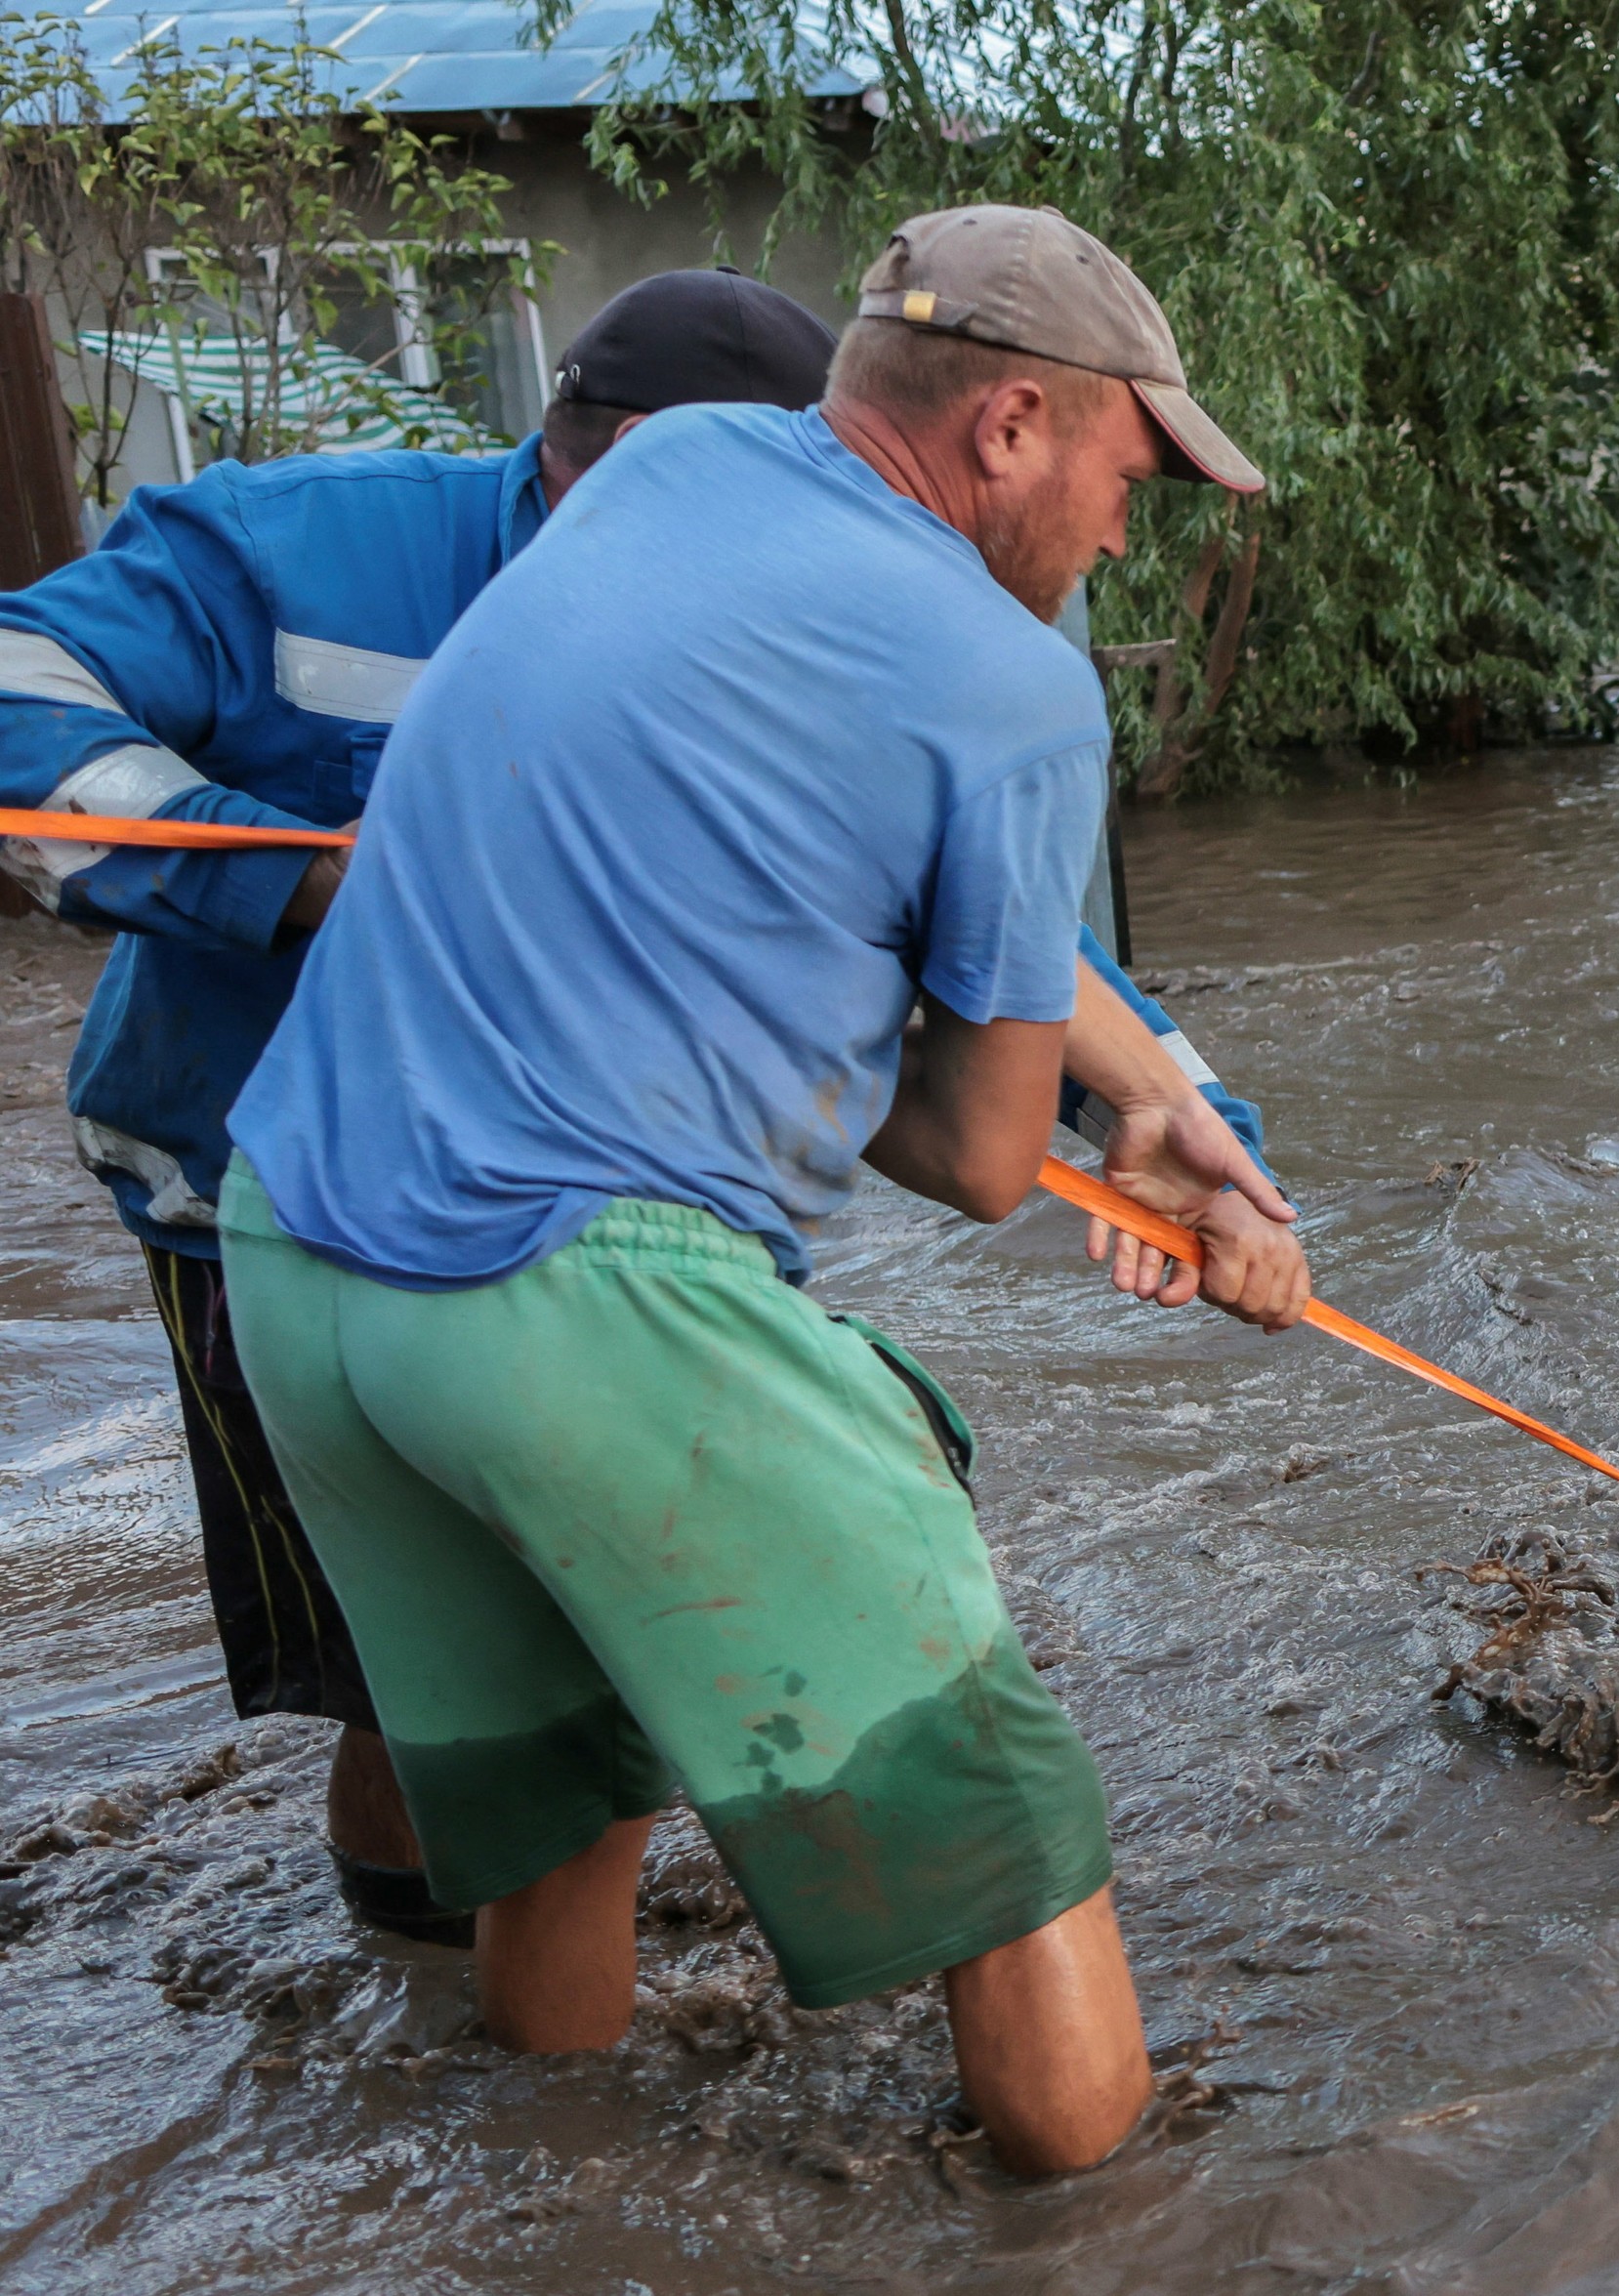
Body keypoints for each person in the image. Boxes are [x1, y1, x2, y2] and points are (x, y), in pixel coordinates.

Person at [213, 203, 1303, 2176]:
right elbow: (977, 1157)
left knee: (568, 1823)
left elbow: (704, 816)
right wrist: (1082, 1119)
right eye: (1126, 474)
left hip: (298, 1261)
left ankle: (576, 2206)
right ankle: (1120, 2217)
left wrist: (1154, 1098)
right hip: (574, 1294)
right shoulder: (1018, 682)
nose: (1129, 532)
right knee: (1004, 1835)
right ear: (1005, 427)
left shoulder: (676, 462)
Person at [0, 269, 843, 1944]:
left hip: (595, 1209)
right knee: (400, 1662)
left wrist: (1169, 1114)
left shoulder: (785, 619)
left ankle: (526, 1983)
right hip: (254, 1192)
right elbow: (17, 686)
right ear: (588, 471)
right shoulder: (303, 549)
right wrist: (306, 880)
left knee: (630, 1609)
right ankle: (424, 2012)